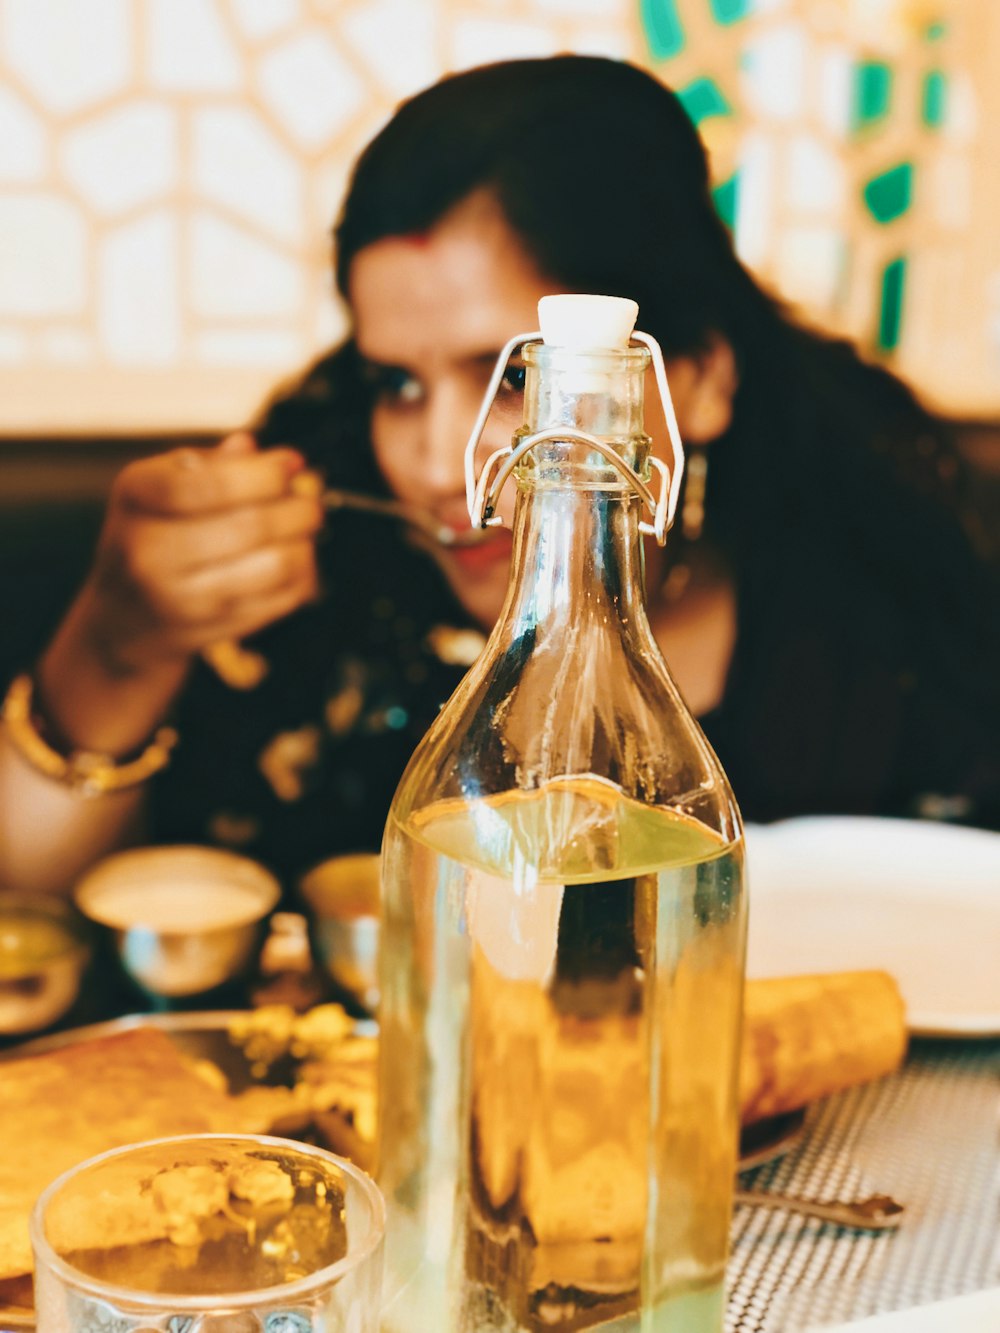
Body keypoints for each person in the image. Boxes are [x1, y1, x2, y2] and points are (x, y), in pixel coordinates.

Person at [2, 54, 998, 899]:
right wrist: (118, 643)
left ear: (692, 377)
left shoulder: (888, 592)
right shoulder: (326, 557)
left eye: (515, 375)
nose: (440, 463)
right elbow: (31, 911)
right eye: (396, 383)